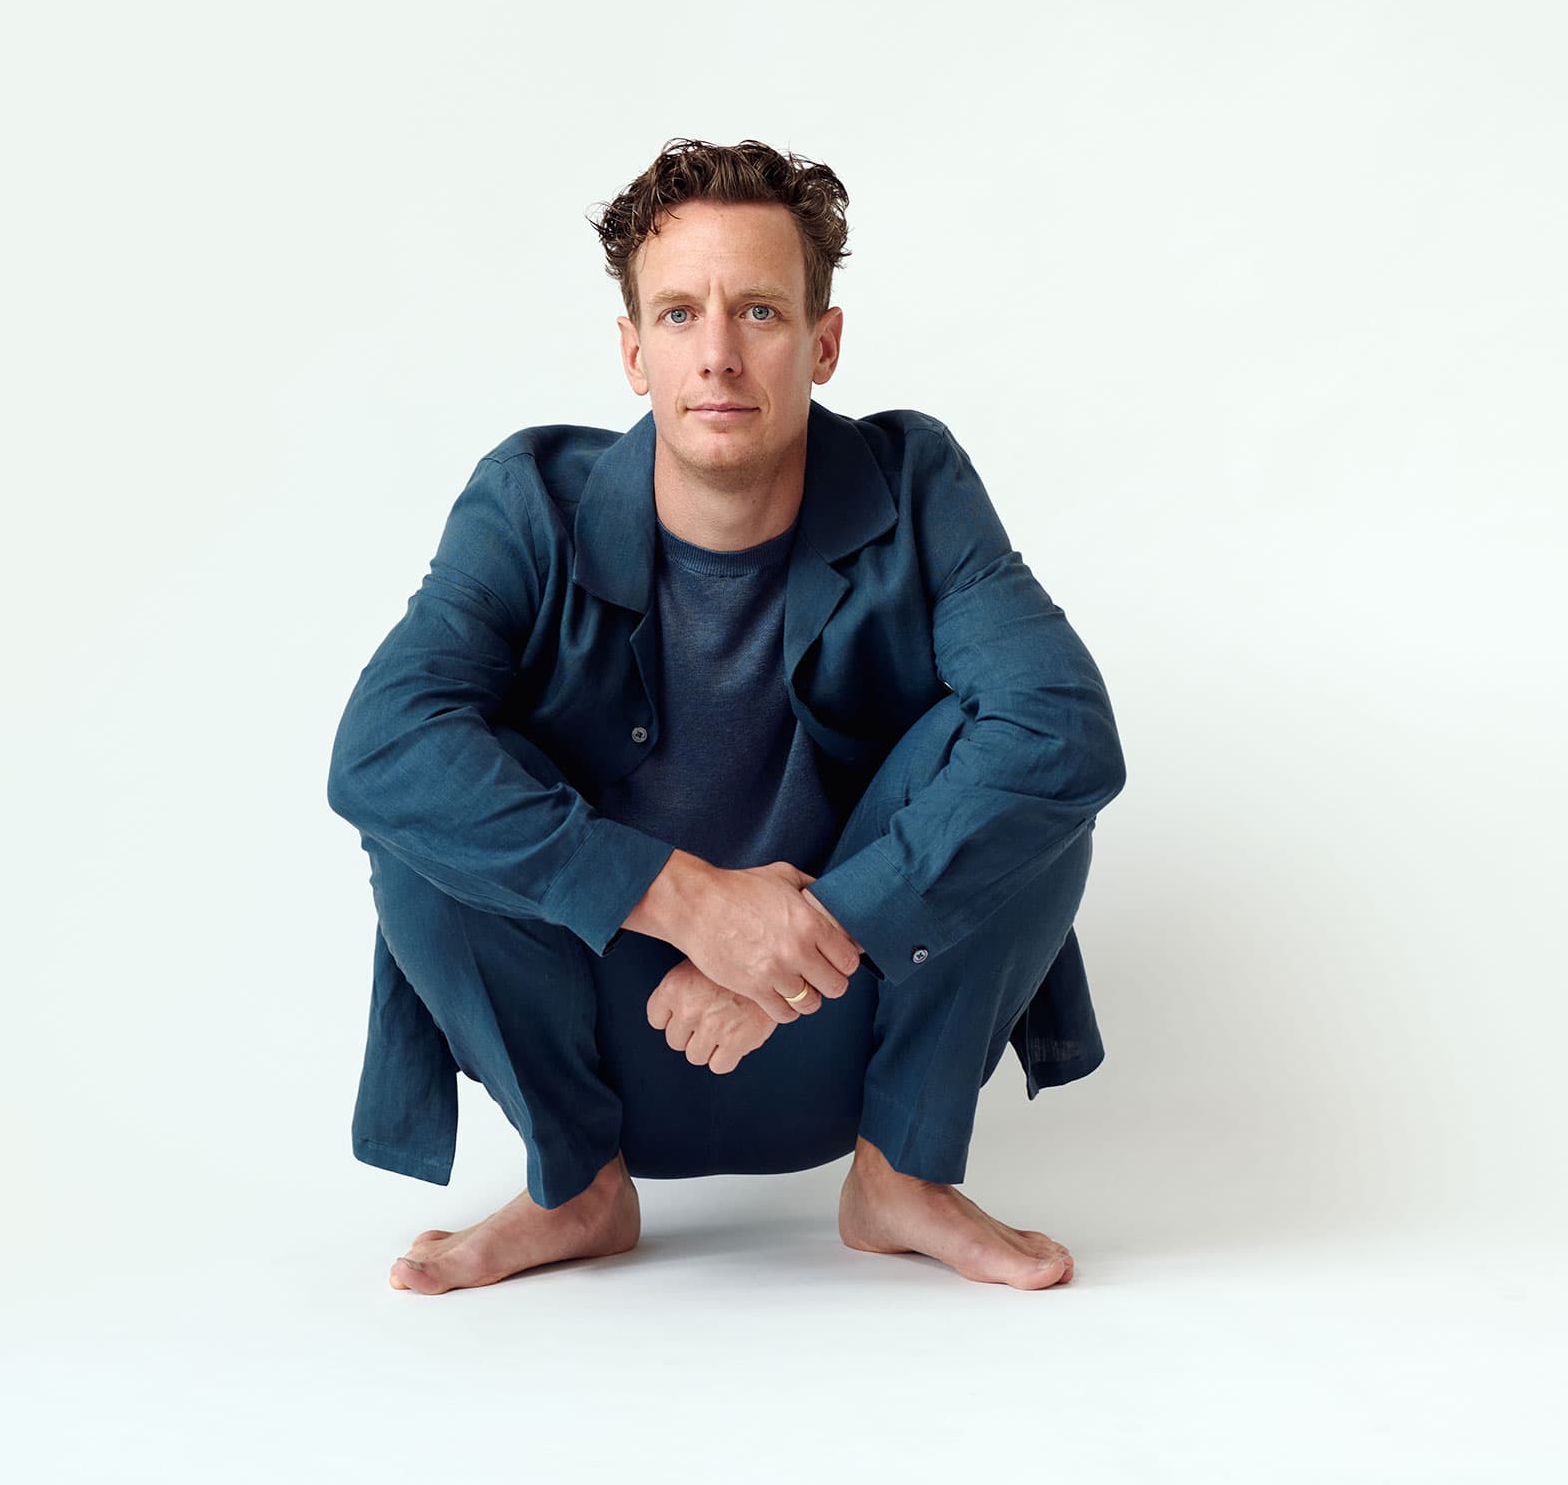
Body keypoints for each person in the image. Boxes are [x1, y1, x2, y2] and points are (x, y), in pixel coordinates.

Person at [327, 137, 1125, 1293]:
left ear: (824, 342)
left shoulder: (916, 481)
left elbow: (1065, 730)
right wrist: (694, 905)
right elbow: (378, 748)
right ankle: (575, 1186)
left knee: (1017, 769)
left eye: (758, 311)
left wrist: (807, 934)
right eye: (678, 314)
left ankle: (901, 1176)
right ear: (632, 352)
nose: (717, 354)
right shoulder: (528, 500)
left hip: (842, 1027)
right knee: (427, 800)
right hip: (604, 1036)